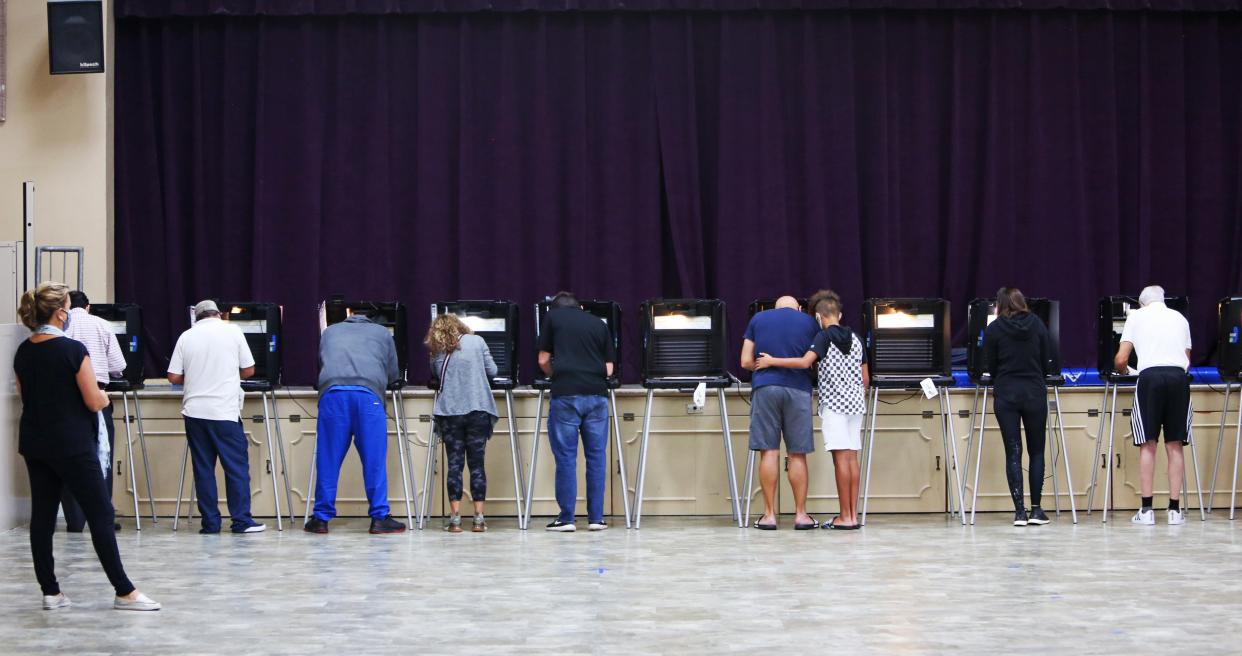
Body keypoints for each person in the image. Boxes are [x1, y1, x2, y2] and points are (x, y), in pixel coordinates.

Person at [14, 282, 159, 611]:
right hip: (73, 444)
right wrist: (104, 395)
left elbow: (26, 396)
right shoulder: (73, 351)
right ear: (61, 312)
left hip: (36, 442)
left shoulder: (24, 351)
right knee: (101, 514)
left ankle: (50, 592)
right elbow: (94, 401)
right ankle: (124, 590)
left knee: (44, 517)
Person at [755, 290, 868, 530]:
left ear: (817, 317)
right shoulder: (857, 338)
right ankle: (852, 515)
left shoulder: (823, 337)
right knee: (852, 458)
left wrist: (771, 361)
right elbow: (864, 377)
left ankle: (844, 517)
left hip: (835, 405)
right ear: (840, 313)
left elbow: (805, 362)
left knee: (840, 461)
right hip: (856, 404)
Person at [167, 300, 265, 534]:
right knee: (236, 468)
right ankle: (241, 521)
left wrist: (195, 376)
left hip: (194, 412)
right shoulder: (233, 331)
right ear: (219, 314)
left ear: (197, 317)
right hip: (224, 411)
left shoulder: (186, 336)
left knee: (203, 469)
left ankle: (210, 524)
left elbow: (172, 376)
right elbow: (249, 369)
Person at [304, 311, 407, 535]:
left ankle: (320, 519)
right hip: (368, 396)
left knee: (328, 459)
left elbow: (321, 364)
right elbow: (393, 374)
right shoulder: (382, 333)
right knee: (374, 460)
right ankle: (379, 518)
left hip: (332, 395)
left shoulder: (329, 332)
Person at [1114, 285, 1193, 526]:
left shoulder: (1137, 316)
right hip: (1178, 379)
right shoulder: (1180, 317)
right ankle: (1174, 511)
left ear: (1142, 304)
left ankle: (1146, 510)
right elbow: (1187, 358)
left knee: (1148, 444)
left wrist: (1126, 371)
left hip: (1149, 380)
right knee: (1174, 444)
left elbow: (1121, 359)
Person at [741, 295, 821, 530]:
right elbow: (815, 361)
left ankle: (768, 516)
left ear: (774, 308)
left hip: (766, 387)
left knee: (769, 452)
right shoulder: (809, 322)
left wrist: (767, 364)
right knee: (797, 454)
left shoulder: (758, 318)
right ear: (798, 308)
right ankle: (801, 516)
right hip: (799, 389)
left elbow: (745, 360)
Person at [538, 291, 616, 532]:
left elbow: (543, 360)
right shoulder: (598, 323)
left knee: (566, 458)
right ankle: (596, 519)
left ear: (555, 309)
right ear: (581, 307)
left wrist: (557, 374)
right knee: (596, 457)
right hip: (596, 395)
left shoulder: (552, 318)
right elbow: (609, 368)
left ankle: (567, 519)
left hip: (566, 394)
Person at [983, 287, 1056, 527]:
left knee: (1013, 452)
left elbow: (989, 365)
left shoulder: (994, 329)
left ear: (1000, 304)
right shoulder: (1037, 324)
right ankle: (1036, 510)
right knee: (1036, 451)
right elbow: (1049, 357)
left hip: (1006, 395)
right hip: (1034, 393)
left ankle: (1019, 513)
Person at [60, 290, 128, 533]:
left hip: (66, 400)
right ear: (88, 307)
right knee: (102, 457)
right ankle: (102, 518)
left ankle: (75, 521)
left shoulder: (60, 325)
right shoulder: (102, 324)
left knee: (68, 458)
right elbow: (119, 365)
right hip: (97, 397)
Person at [426, 314, 498, 533]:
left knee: (454, 465)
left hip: (450, 412)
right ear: (460, 325)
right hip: (478, 409)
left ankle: (455, 519)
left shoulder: (438, 348)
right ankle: (478, 518)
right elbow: (493, 371)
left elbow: (438, 375)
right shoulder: (477, 341)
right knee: (477, 464)